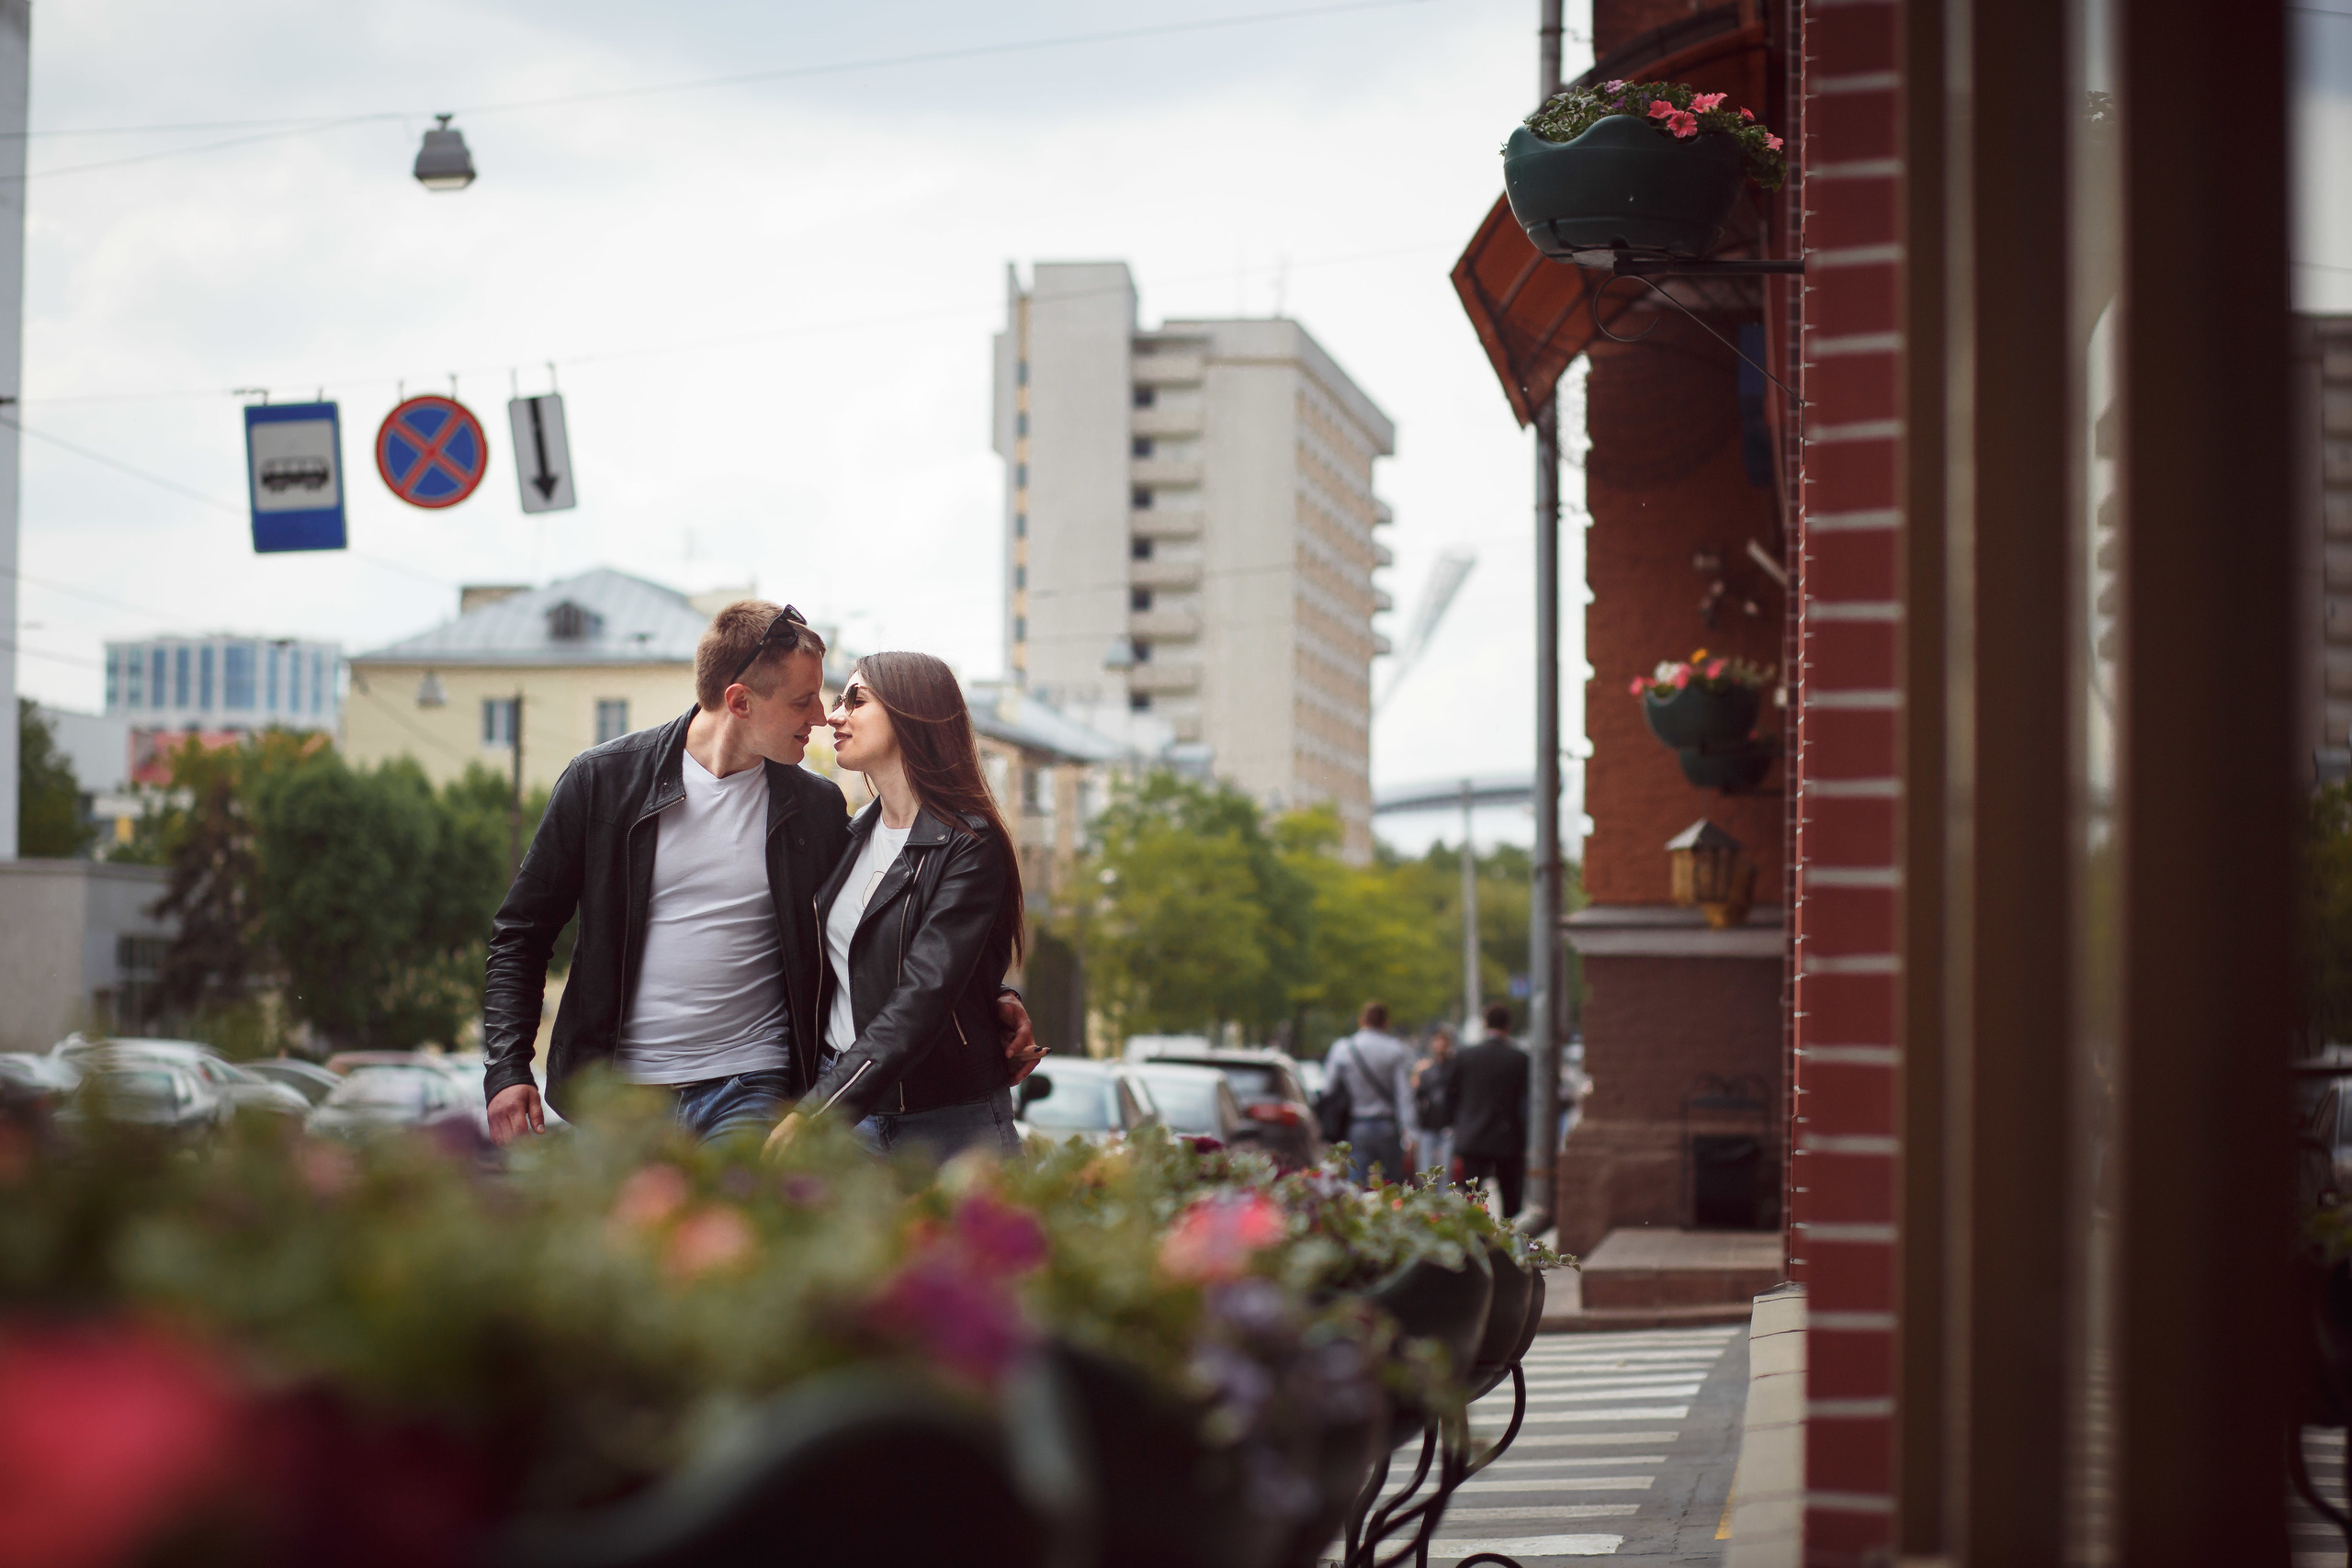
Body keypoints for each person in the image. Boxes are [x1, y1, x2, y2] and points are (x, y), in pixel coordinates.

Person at [480, 604, 1038, 1145]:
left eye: (840, 698)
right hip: (618, 1091)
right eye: (803, 701)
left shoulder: (813, 808)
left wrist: (988, 994)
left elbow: (907, 946)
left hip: (752, 1085)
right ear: (740, 701)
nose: (822, 717)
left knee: (737, 1237)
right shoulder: (603, 782)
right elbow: (521, 935)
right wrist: (507, 1068)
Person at [765, 651, 1031, 1163]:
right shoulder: (851, 835)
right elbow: (859, 961)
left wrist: (817, 1110)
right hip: (847, 1111)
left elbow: (921, 997)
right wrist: (990, 992)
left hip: (946, 1121)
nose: (834, 715)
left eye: (856, 700)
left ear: (911, 714)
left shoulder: (968, 846)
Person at [1450, 1002, 1531, 1217]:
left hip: (1472, 1138)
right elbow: (1527, 1101)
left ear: (1485, 1024)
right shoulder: (1519, 1058)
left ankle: (1473, 1245)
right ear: (1508, 1025)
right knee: (1512, 1204)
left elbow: (1451, 1095)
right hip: (1508, 1139)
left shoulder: (1465, 1056)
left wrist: (1458, 1125)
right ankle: (1511, 1246)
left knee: (1471, 1202)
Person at [1327, 1000, 1419, 1186]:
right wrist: (1410, 1132)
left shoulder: (1343, 1049)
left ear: (1362, 1020)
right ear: (1386, 1023)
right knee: (1390, 1185)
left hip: (1357, 1126)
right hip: (1388, 1127)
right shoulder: (1395, 1049)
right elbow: (1404, 1095)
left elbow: (1328, 1088)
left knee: (1357, 1184)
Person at [1410, 1027, 1459, 1178]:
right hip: (1428, 1124)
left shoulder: (1453, 1068)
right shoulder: (1425, 1069)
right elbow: (1417, 1096)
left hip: (1447, 1124)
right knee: (1425, 1171)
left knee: (1445, 1171)